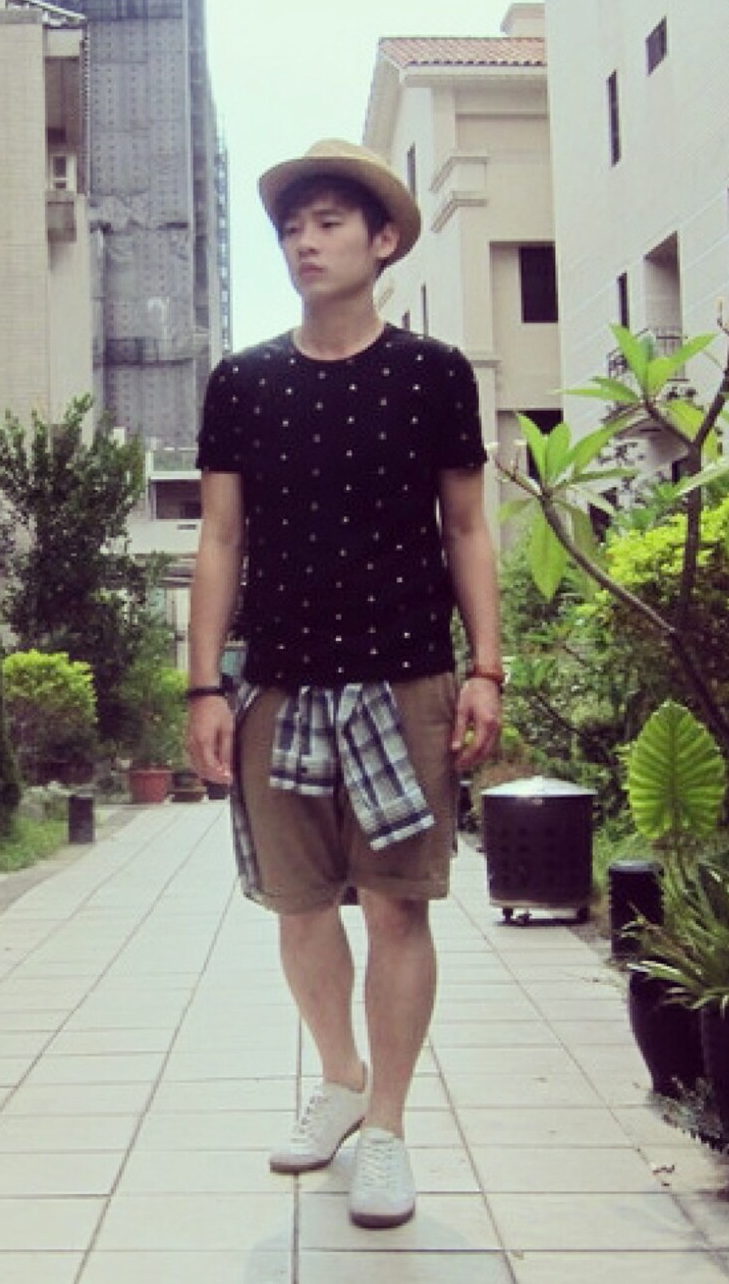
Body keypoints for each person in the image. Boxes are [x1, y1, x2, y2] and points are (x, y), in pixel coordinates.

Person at [186, 138, 503, 1229]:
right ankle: (340, 1079)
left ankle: (391, 1131)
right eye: (291, 227)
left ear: (384, 240)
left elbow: (467, 527)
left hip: (406, 676)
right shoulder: (243, 382)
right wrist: (204, 686)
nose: (304, 242)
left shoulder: (433, 373)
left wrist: (486, 667)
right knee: (299, 904)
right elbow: (220, 539)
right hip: (278, 683)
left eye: (327, 223)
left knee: (398, 904)